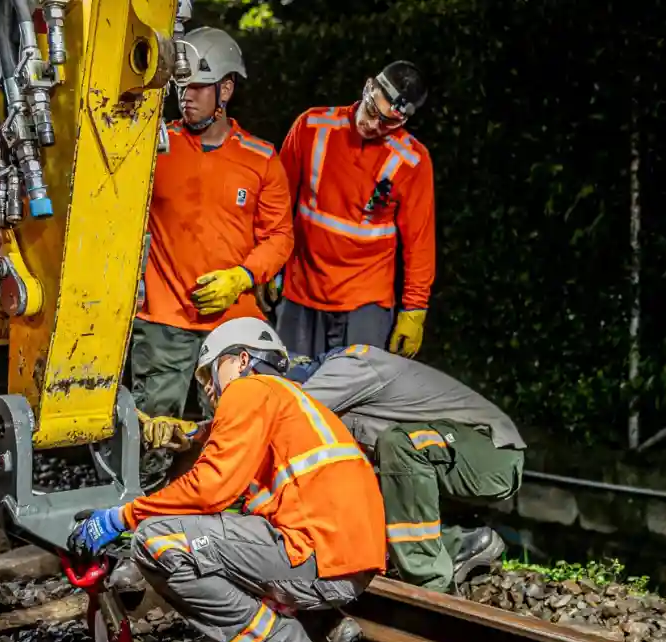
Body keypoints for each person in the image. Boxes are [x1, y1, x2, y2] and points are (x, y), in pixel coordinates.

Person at [73, 318, 385, 642]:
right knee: (215, 536)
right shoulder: (290, 399)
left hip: (316, 557)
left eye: (210, 371)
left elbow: (210, 489)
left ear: (241, 360)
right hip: (344, 561)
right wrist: (196, 433)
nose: (206, 385)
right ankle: (319, 622)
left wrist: (120, 517)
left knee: (156, 542)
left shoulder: (249, 389)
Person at [144, 344, 525, 593]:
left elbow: (275, 415)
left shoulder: (351, 365)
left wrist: (199, 434)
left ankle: (429, 581)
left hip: (490, 453)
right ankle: (463, 542)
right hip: (444, 458)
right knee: (357, 493)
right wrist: (194, 435)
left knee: (400, 446)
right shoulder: (326, 387)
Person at [132, 26, 294, 425]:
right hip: (162, 321)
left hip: (233, 319)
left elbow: (279, 236)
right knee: (152, 430)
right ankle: (152, 488)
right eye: (181, 86)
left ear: (225, 90)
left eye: (198, 87)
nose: (184, 96)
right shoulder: (153, 148)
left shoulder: (261, 159)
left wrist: (241, 278)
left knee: (232, 428)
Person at [272, 61, 436, 360]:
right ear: (368, 87)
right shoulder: (311, 127)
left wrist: (414, 310)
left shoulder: (412, 161)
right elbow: (275, 205)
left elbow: (419, 243)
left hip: (366, 302)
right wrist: (267, 267)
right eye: (373, 110)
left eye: (388, 123)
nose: (374, 125)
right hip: (301, 290)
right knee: (289, 392)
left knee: (356, 402)